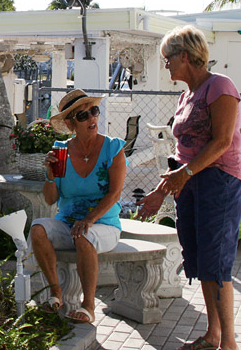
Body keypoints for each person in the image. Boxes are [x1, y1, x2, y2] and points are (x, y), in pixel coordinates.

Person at [137, 25, 241, 350]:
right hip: (190, 182)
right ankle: (213, 336)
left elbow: (223, 141)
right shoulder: (186, 95)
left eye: (168, 58)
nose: (165, 64)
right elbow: (179, 155)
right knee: (198, 257)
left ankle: (229, 344)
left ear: (185, 56)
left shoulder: (219, 86)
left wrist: (187, 172)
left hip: (219, 180)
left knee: (216, 260)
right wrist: (159, 192)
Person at [29, 89, 126, 324]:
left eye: (94, 111)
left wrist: (90, 219)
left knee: (84, 235)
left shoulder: (113, 148)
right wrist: (50, 176)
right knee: (37, 229)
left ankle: (88, 305)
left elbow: (114, 194)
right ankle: (56, 293)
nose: (92, 119)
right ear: (71, 124)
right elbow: (51, 199)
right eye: (83, 116)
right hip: (68, 223)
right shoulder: (61, 151)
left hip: (103, 225)